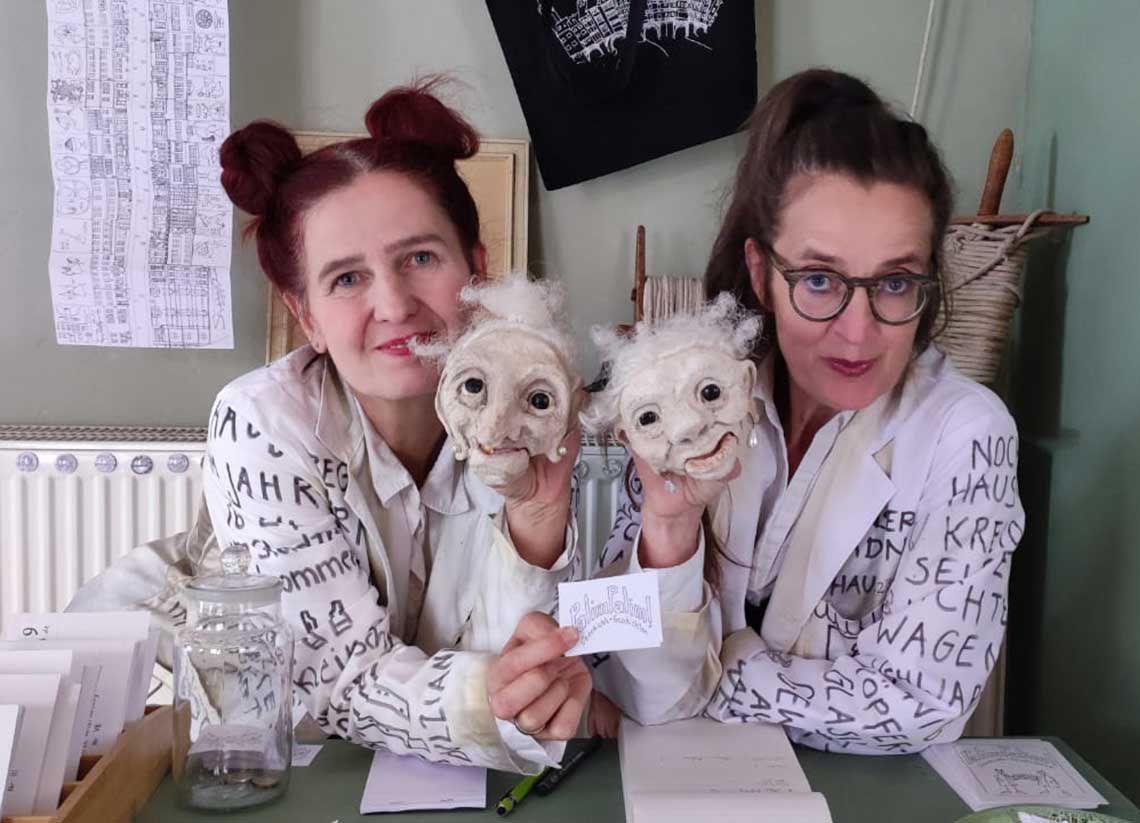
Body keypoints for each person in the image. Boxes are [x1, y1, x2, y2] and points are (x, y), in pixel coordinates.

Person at [70, 82, 588, 773]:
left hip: (364, 753)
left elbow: (505, 662)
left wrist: (538, 515)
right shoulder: (262, 420)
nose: (394, 304)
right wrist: (489, 700)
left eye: (420, 258)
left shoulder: (521, 408)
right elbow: (341, 681)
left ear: (478, 269)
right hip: (150, 723)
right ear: (305, 315)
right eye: (347, 279)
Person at [591, 68, 1025, 753]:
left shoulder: (967, 436)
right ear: (761, 272)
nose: (858, 331)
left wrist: (714, 671)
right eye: (820, 279)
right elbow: (612, 660)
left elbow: (921, 704)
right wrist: (669, 527)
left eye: (895, 282)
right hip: (678, 782)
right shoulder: (688, 403)